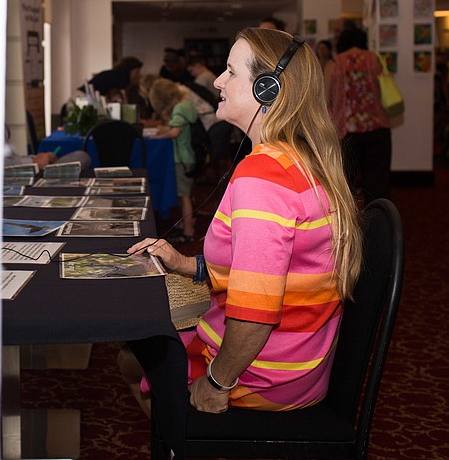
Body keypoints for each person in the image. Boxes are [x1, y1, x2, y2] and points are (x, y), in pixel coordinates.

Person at [119, 28, 362, 416]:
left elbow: (254, 312)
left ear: (267, 90)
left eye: (231, 72)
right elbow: (271, 266)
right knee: (143, 347)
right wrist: (190, 265)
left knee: (131, 358)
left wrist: (217, 382)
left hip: (265, 374)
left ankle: (182, 439)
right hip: (303, 360)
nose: (218, 81)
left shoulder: (263, 177)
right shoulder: (299, 159)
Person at [326, 26, 392, 204]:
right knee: (378, 181)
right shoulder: (374, 59)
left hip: (347, 131)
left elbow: (326, 97)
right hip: (377, 128)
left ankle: (349, 223)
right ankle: (380, 221)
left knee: (345, 182)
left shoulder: (335, 63)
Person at [148, 78, 198, 242]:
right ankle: (188, 222)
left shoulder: (178, 108)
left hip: (181, 158)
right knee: (187, 194)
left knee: (183, 196)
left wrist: (159, 136)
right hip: (188, 156)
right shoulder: (186, 104)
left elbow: (175, 132)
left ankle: (188, 232)